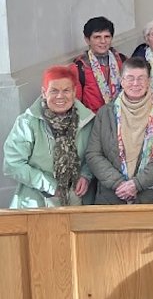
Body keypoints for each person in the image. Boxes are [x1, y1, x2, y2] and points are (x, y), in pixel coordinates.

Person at [86, 57, 153, 204]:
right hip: (112, 195)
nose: (136, 83)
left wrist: (137, 184)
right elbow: (93, 154)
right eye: (130, 78)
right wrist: (119, 184)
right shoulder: (106, 113)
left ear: (148, 81)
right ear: (121, 81)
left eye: (141, 78)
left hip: (151, 197)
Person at [4, 66, 95, 208]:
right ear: (44, 93)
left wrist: (85, 175)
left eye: (66, 90)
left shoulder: (87, 120)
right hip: (36, 203)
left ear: (74, 92)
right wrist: (49, 184)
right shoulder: (27, 122)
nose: (60, 96)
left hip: (77, 201)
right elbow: (12, 164)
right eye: (54, 90)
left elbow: (93, 155)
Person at [73, 16, 126, 113]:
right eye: (97, 37)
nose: (103, 41)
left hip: (121, 118)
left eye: (107, 36)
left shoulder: (122, 61)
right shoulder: (79, 67)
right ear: (87, 40)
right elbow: (76, 104)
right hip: (94, 122)